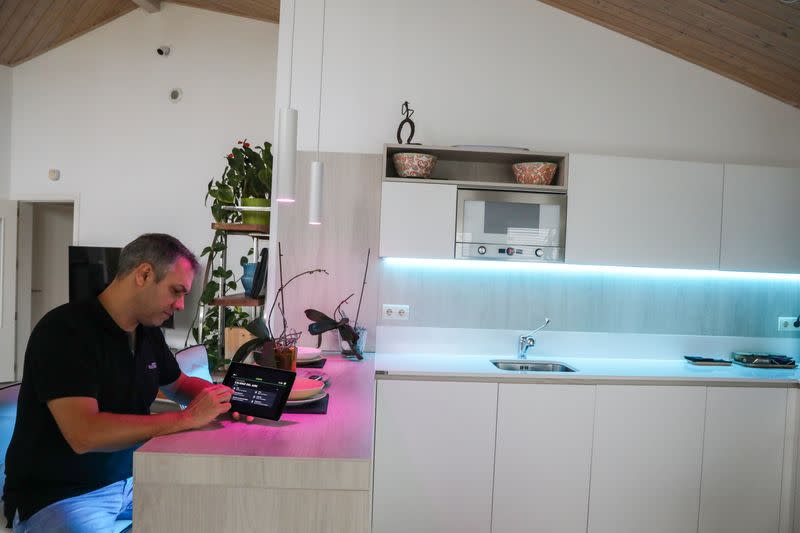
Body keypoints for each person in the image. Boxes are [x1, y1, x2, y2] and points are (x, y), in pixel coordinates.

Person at [3, 233, 248, 533]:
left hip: (129, 481)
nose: (181, 305)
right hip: (62, 496)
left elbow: (179, 383)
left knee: (214, 512)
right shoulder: (65, 331)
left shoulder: (147, 331)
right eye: (176, 291)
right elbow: (85, 434)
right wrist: (186, 418)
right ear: (144, 274)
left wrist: (227, 399)